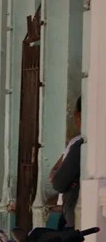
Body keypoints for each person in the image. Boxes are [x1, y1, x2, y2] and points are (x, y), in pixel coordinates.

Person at [51, 96, 83, 231]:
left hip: (73, 216)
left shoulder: (79, 143)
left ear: (78, 116)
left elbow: (57, 180)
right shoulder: (77, 142)